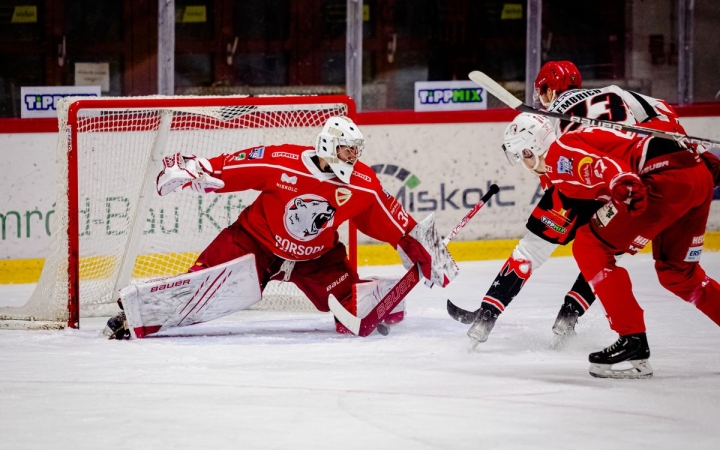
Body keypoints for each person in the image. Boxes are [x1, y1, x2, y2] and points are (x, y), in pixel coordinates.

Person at [105, 116, 458, 339]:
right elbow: (229, 167)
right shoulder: (281, 160)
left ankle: (382, 299)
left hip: (317, 260)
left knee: (345, 308)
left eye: (356, 151)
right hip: (253, 243)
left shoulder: (362, 184)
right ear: (328, 148)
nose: (354, 157)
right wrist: (191, 170)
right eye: (347, 151)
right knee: (202, 289)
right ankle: (135, 317)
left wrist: (424, 249)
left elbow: (392, 219)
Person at [456, 60, 720, 346]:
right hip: (642, 179)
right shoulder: (617, 93)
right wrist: (702, 154)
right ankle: (569, 317)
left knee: (542, 249)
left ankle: (490, 316)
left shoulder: (552, 118)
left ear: (547, 91)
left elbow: (559, 158)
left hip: (594, 179)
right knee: (606, 251)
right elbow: (665, 116)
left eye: (541, 93)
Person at [496, 112, 720, 378]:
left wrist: (622, 181)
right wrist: (707, 161)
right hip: (697, 177)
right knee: (679, 274)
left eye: (525, 154)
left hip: (663, 182)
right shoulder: (593, 135)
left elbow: (599, 166)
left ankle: (632, 340)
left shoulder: (558, 154)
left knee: (588, 246)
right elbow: (667, 130)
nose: (525, 163)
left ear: (535, 146)